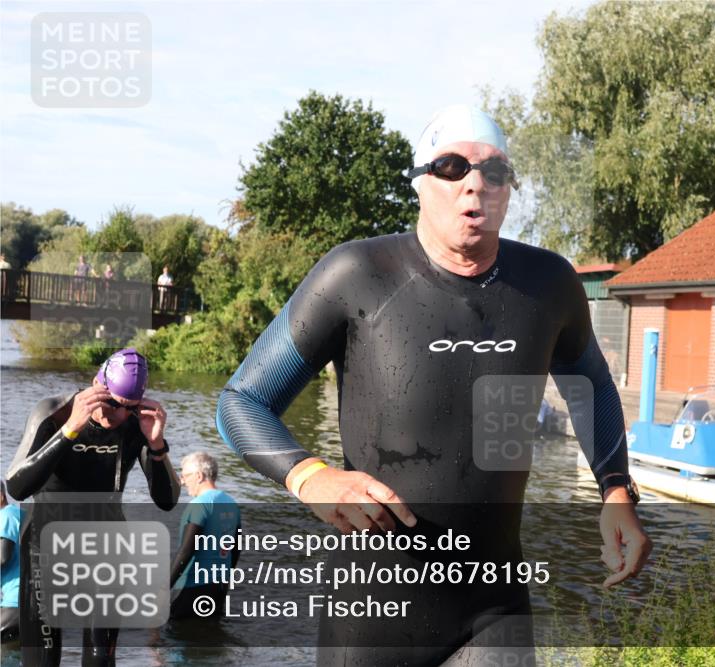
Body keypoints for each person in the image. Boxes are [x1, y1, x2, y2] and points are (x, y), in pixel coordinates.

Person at [216, 105, 651, 666]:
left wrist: (616, 491)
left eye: (495, 172)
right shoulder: (357, 273)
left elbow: (590, 385)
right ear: (421, 184)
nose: (475, 183)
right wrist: (310, 476)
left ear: (509, 191)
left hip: (494, 606)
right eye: (452, 167)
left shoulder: (549, 285)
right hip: (372, 611)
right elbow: (241, 401)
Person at [5, 347, 180, 666]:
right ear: (95, 384)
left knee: (101, 658)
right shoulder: (54, 413)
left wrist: (156, 445)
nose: (117, 414)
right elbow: (17, 486)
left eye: (129, 407)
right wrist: (69, 430)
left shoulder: (133, 425)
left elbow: (167, 502)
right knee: (41, 658)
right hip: (46, 547)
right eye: (111, 402)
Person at [169, 452, 240, 619]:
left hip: (191, 586)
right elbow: (236, 549)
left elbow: (186, 550)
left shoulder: (199, 505)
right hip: (218, 587)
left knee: (178, 636)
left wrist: (165, 587)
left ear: (199, 476)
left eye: (185, 475)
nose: (183, 481)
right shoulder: (231, 503)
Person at [0, 481, 22, 644]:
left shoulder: (6, 516)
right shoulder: (18, 513)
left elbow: (2, 557)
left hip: (15, 601)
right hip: (28, 600)